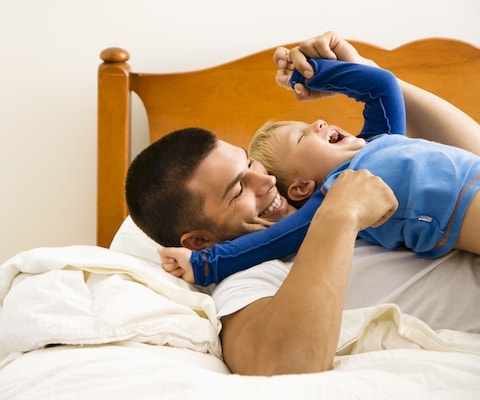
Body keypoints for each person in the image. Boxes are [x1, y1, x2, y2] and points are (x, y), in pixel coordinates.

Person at [125, 31, 480, 376]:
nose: (265, 181)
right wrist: (340, 216)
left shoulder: (355, 170)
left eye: (251, 164)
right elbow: (278, 364)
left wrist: (359, 70)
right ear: (200, 242)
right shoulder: (252, 276)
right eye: (237, 191)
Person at [155, 56, 480, 286]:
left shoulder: (381, 137)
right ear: (301, 187)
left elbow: (381, 84)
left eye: (307, 124)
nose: (318, 122)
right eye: (301, 136)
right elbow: (272, 241)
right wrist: (205, 265)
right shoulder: (335, 197)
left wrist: (314, 73)